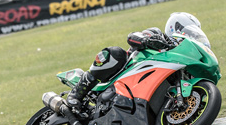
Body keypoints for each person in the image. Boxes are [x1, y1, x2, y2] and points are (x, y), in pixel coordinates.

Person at [66, 12, 211, 110]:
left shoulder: (180, 59)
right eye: (190, 33)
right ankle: (77, 93)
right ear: (177, 27)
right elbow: (132, 37)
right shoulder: (158, 34)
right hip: (125, 73)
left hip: (142, 89)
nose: (192, 37)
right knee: (115, 53)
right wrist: (148, 40)